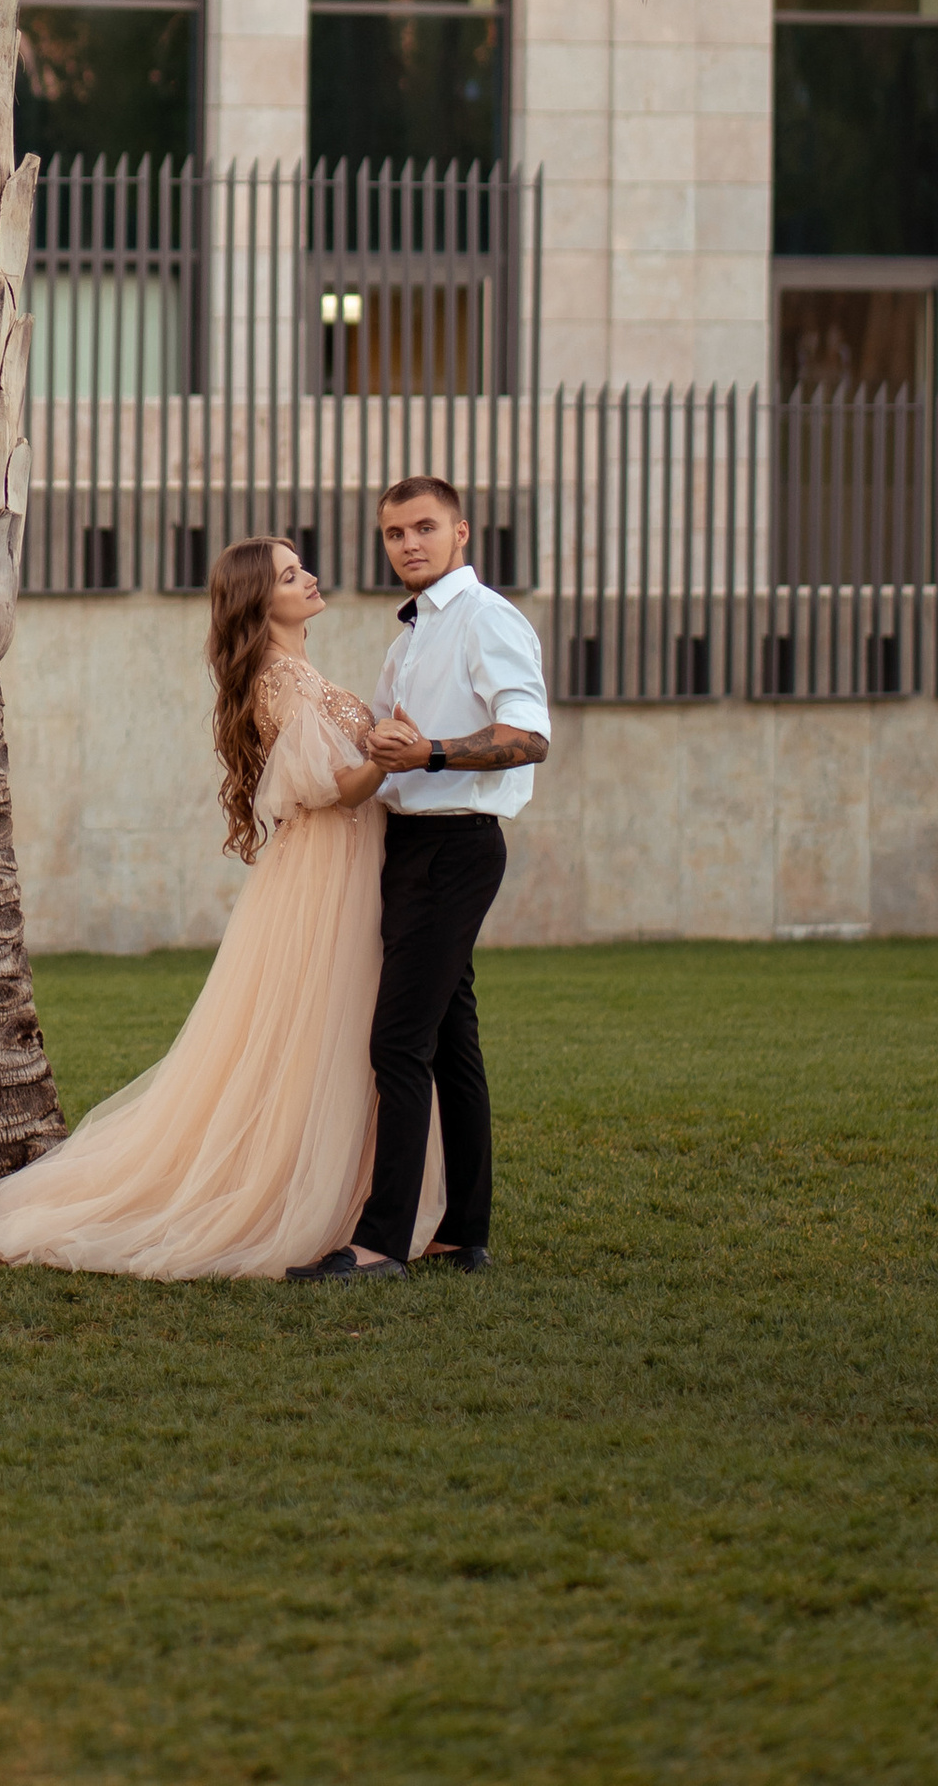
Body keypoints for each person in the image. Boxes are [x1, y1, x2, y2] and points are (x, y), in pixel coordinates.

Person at [0, 532, 444, 1276]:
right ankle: (303, 1189)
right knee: (326, 1024)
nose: (308, 578)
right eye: (289, 574)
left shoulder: (299, 671)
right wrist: (387, 755)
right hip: (327, 868)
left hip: (340, 859)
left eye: (301, 566)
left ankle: (354, 1186)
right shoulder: (280, 679)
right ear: (261, 600)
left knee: (337, 1028)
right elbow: (327, 788)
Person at [286, 472, 551, 1282]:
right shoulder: (408, 638)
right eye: (396, 533)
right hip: (409, 849)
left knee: (397, 1042)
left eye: (425, 529)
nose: (410, 544)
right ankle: (460, 1234)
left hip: (456, 846)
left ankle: (378, 1244)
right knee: (447, 1047)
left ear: (460, 533)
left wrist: (431, 751)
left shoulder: (486, 619)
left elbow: (529, 737)